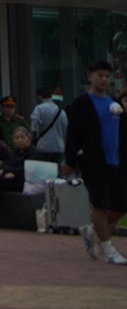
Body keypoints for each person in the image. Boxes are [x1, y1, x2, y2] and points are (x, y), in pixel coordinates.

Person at [65, 59, 127, 263]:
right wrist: (71, 160)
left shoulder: (114, 104)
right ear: (90, 76)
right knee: (100, 204)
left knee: (120, 206)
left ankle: (92, 231)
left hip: (116, 161)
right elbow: (73, 134)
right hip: (93, 161)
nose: (104, 80)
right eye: (100, 75)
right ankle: (109, 250)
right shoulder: (82, 104)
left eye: (107, 76)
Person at [30, 85, 68, 166]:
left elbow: (34, 127)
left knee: (44, 172)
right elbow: (66, 130)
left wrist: (33, 139)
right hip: (59, 148)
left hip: (43, 147)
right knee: (56, 172)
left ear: (39, 96)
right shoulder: (61, 111)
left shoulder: (39, 109)